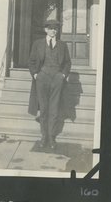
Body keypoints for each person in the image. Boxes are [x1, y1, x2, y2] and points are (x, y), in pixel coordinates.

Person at [28, 19, 72, 149]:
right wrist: (36, 75)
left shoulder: (62, 45)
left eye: (56, 29)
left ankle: (51, 136)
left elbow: (68, 62)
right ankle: (44, 136)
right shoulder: (38, 44)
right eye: (51, 28)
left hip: (57, 79)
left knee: (53, 109)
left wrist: (63, 75)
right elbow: (31, 61)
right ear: (46, 30)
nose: (53, 31)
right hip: (42, 79)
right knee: (43, 108)